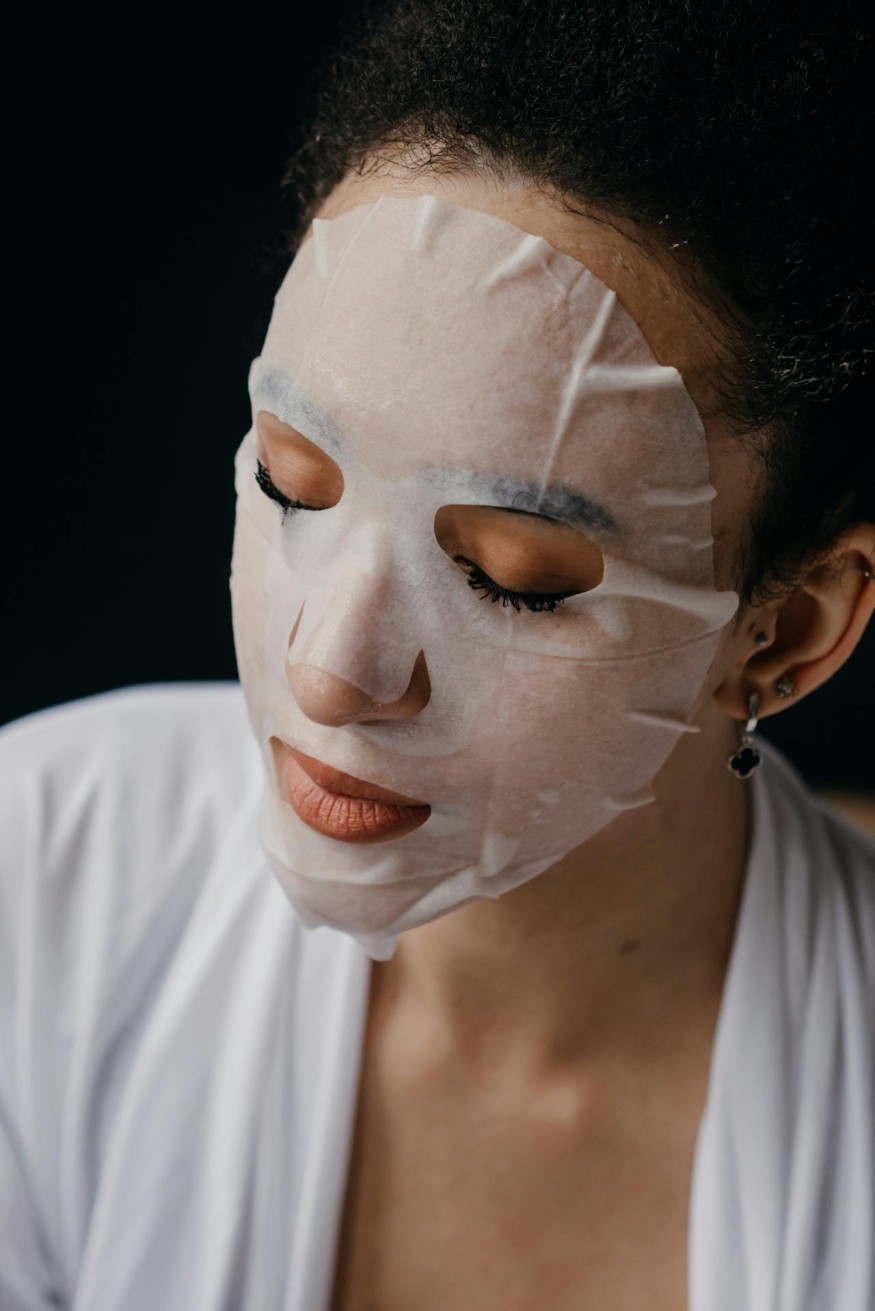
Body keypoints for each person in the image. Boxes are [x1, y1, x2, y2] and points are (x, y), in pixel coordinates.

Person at [1, 2, 873, 1309]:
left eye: (508, 579)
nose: (332, 671)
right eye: (295, 486)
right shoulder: (40, 893)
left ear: (789, 628)